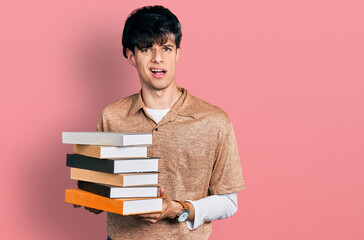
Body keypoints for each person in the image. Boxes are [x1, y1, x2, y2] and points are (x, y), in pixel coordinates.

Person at [79, 5, 245, 240]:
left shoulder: (214, 121)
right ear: (130, 56)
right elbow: (95, 196)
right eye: (147, 49)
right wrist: (88, 194)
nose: (158, 58)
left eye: (166, 48)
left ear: (177, 53)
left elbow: (229, 202)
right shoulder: (111, 117)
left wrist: (177, 209)